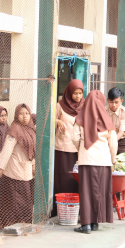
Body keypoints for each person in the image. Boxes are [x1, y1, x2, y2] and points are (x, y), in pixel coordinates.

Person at [72, 90, 118, 234]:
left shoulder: (81, 118)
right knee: (100, 191)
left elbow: (74, 137)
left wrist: (80, 148)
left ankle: (86, 224)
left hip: (87, 159)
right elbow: (113, 143)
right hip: (104, 160)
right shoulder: (107, 120)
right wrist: (113, 158)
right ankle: (95, 222)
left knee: (86, 191)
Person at [0, 104, 36, 229]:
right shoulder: (14, 129)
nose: (24, 116)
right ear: (17, 115)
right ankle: (10, 226)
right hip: (14, 172)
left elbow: (32, 150)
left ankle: (23, 226)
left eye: (27, 113)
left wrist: (33, 165)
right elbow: (7, 149)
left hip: (26, 171)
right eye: (21, 113)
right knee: (14, 202)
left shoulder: (30, 129)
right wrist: (0, 168)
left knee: (25, 201)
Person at [51, 79, 84, 217]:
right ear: (69, 92)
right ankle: (60, 210)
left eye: (80, 93)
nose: (77, 96)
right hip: (63, 148)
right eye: (75, 93)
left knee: (76, 179)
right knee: (63, 179)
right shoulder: (60, 105)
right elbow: (51, 119)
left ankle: (75, 210)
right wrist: (57, 121)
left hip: (79, 149)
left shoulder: (85, 105)